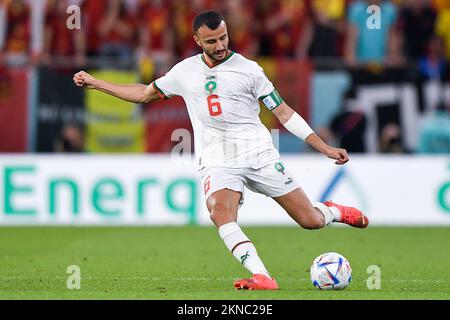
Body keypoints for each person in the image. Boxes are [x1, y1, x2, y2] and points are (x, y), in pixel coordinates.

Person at [73, 10, 368, 291]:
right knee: (219, 211)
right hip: (217, 159)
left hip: (258, 154)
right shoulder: (184, 71)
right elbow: (144, 94)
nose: (220, 45)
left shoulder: (250, 70)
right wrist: (96, 83)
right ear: (197, 41)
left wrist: (324, 147)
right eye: (212, 41)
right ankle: (262, 276)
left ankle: (332, 210)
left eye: (223, 37)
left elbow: (284, 113)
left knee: (310, 221)